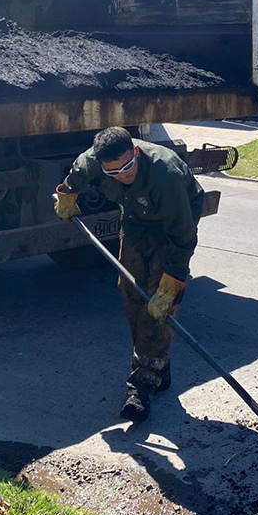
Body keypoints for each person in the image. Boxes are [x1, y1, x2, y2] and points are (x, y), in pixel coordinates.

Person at [54, 126, 205, 422]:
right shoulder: (93, 162)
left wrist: (173, 283)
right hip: (136, 221)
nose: (123, 174)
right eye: (114, 172)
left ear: (135, 152)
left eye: (127, 166)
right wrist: (67, 194)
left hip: (172, 226)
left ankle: (142, 385)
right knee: (131, 293)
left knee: (157, 305)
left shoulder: (166, 176)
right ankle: (158, 366)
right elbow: (77, 174)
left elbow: (183, 237)